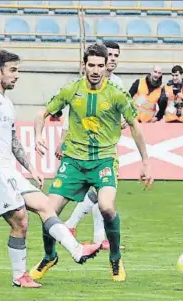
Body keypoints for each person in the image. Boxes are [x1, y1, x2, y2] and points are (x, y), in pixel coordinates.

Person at [0, 50, 101, 288]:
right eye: (13, 70)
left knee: (45, 205)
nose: (17, 75)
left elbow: (12, 140)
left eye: (17, 70)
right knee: (21, 221)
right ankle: (19, 276)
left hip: (9, 171)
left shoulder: (5, 101)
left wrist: (30, 168)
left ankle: (77, 251)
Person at [30, 44, 153, 282]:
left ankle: (115, 258)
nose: (95, 70)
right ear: (83, 66)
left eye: (100, 65)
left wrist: (146, 162)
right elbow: (41, 114)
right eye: (91, 65)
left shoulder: (117, 93)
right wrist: (38, 134)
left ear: (106, 66)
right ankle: (49, 256)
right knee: (48, 211)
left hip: (103, 160)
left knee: (106, 207)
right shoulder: (71, 90)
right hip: (73, 161)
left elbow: (135, 126)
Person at [60, 41, 126, 252]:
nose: (114, 59)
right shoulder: (81, 85)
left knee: (100, 194)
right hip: (80, 149)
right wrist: (63, 141)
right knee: (98, 193)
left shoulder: (118, 84)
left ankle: (83, 230)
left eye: (117, 55)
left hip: (106, 148)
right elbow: (70, 116)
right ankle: (87, 232)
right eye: (111, 55)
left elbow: (124, 115)